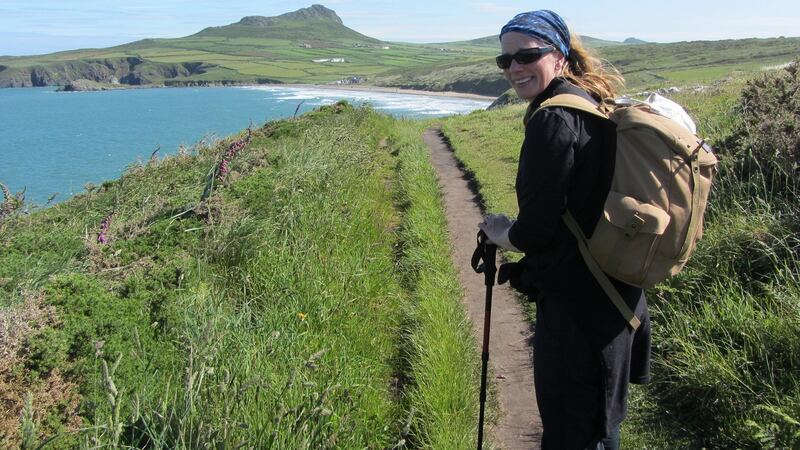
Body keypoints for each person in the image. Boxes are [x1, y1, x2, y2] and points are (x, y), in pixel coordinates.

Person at [478, 10, 652, 450]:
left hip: (579, 306)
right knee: (600, 425)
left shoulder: (552, 119)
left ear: (558, 57)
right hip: (614, 289)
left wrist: (499, 232)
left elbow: (535, 231)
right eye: (505, 61)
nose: (514, 67)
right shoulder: (590, 103)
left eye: (527, 55)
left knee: (574, 432)